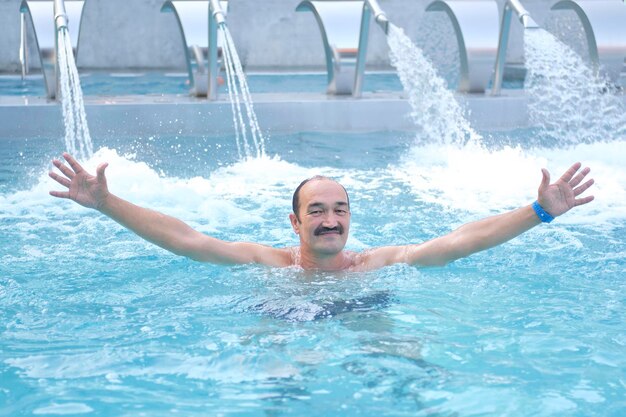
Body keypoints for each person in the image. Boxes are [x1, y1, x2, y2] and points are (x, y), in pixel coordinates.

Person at [49, 153, 595, 272]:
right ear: (295, 222)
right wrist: (106, 203)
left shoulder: (375, 264)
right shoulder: (270, 263)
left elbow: (459, 240)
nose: (330, 220)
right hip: (284, 315)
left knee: (404, 362)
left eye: (340, 210)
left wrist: (538, 212)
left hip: (363, 313)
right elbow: (188, 239)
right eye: (317, 211)